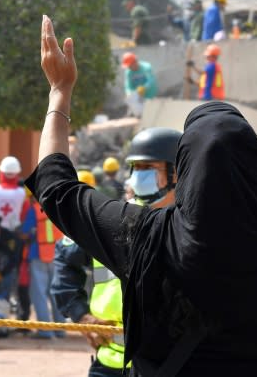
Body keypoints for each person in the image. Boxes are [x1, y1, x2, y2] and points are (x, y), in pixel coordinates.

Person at [28, 10, 257, 376]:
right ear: (254, 169)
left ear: (184, 167)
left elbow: (56, 186)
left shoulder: (144, 235)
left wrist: (59, 92)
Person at [52, 133, 181, 377]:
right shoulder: (113, 220)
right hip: (110, 364)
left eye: (148, 168)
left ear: (176, 173)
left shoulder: (191, 228)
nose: (138, 175)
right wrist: (81, 314)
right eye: (136, 167)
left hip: (167, 367)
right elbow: (65, 260)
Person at [21, 186, 65, 339]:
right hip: (56, 255)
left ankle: (45, 331)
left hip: (38, 254)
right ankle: (60, 329)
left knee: (38, 294)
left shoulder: (34, 209)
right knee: (55, 293)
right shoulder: (57, 207)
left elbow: (25, 231)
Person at [121, 52, 158, 117]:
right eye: (128, 66)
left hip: (150, 95)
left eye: (130, 65)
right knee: (140, 115)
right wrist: (129, 93)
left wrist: (144, 88)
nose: (129, 67)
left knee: (152, 114)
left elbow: (151, 80)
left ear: (135, 62)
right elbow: (128, 86)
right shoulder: (129, 72)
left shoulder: (146, 67)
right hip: (139, 97)